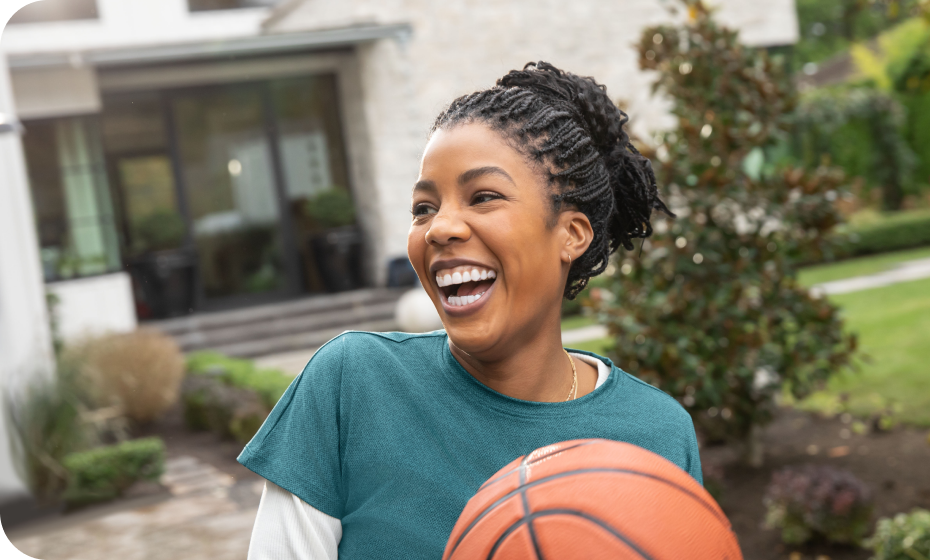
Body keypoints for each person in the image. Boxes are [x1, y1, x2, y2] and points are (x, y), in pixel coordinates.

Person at [240, 62, 700, 559]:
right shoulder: (353, 386)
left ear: (571, 234)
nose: (439, 228)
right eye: (423, 208)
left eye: (483, 197)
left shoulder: (657, 434)